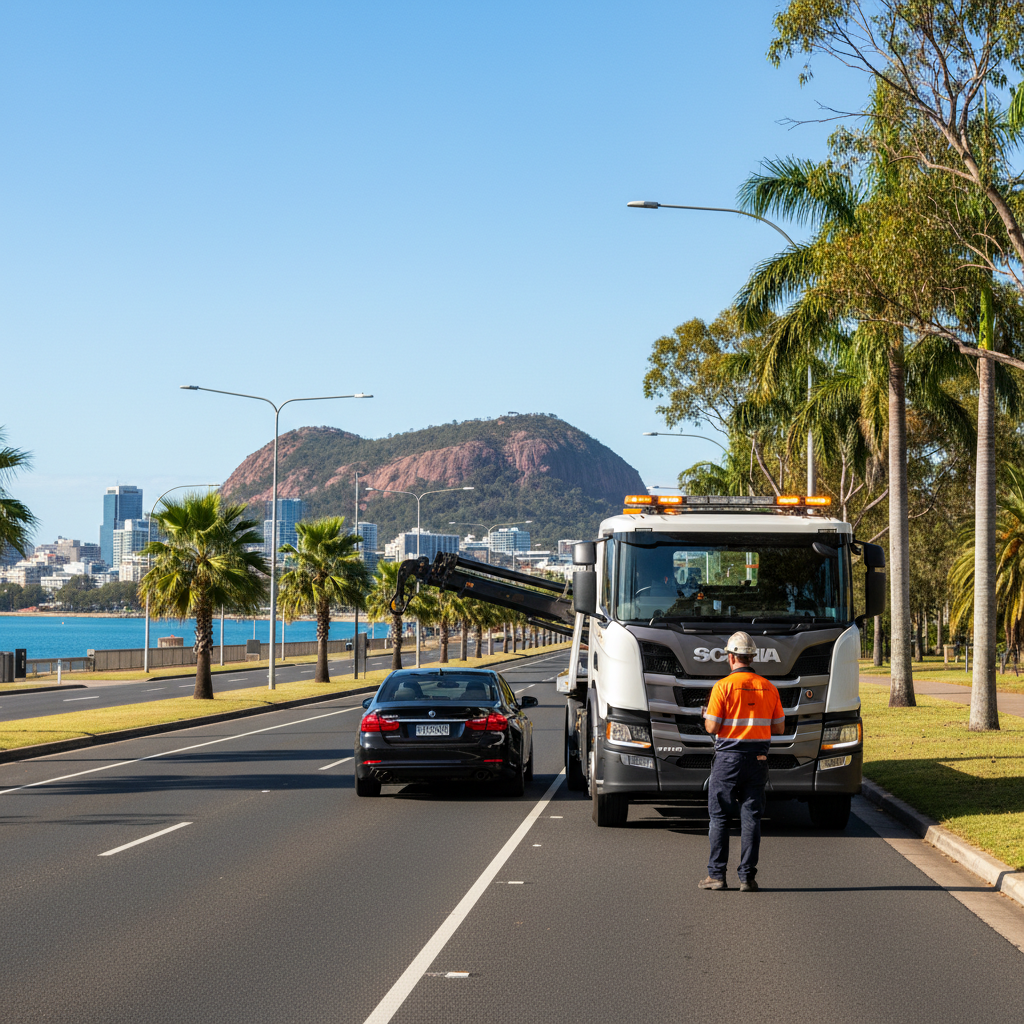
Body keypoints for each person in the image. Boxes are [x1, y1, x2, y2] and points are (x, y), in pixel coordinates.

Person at [698, 631, 785, 892]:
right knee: (751, 819)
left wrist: (706, 717)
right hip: (758, 759)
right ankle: (747, 877)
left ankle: (716, 876)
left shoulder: (723, 687)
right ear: (751, 657)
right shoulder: (768, 687)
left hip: (728, 759)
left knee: (720, 817)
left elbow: (712, 726)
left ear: (732, 657)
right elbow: (779, 728)